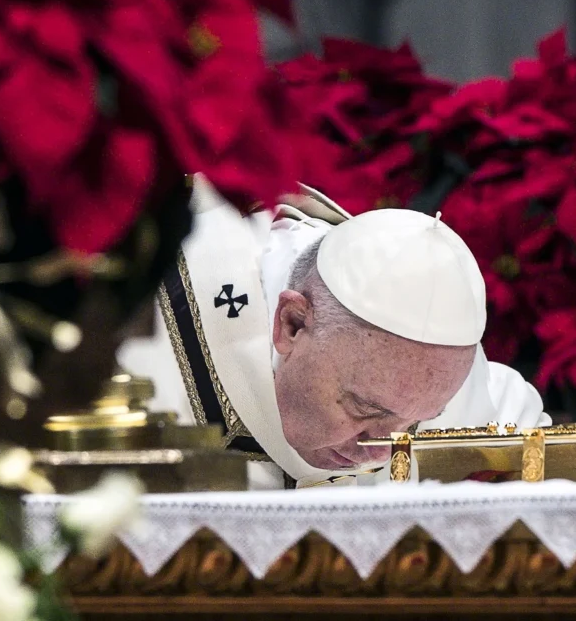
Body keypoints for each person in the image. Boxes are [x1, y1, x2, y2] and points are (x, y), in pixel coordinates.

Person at [117, 177, 549, 489]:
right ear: (292, 324)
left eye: (418, 420)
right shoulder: (144, 329)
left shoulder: (435, 371)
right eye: (364, 408)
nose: (380, 451)